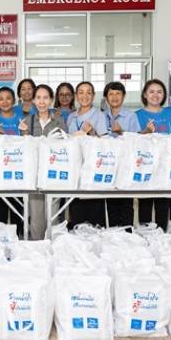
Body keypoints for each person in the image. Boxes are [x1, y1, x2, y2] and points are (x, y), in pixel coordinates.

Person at [19, 84, 67, 239]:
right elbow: (24, 149)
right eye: (38, 97)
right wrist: (24, 134)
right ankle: (37, 248)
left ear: (51, 100)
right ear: (33, 100)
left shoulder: (58, 120)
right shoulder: (28, 121)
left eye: (45, 98)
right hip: (34, 174)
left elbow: (65, 146)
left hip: (54, 173)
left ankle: (54, 247)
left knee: (53, 215)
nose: (41, 101)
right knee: (36, 217)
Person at [135, 79, 171, 230]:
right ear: (145, 95)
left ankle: (162, 235)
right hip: (145, 165)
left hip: (166, 164)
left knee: (163, 202)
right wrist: (145, 132)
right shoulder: (137, 115)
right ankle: (145, 234)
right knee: (145, 203)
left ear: (164, 95)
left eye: (159, 92)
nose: (155, 95)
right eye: (151, 91)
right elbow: (133, 142)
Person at [66, 81, 108, 230]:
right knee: (76, 209)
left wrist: (92, 133)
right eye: (81, 92)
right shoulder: (71, 117)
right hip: (75, 166)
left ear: (93, 96)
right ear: (76, 96)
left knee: (94, 210)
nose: (85, 96)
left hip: (93, 167)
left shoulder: (99, 115)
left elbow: (105, 143)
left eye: (89, 92)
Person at [0, 86, 24, 236]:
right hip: (0, 170)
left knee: (18, 206)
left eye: (8, 98)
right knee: (1, 206)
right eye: (1, 99)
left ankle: (17, 237)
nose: (5, 101)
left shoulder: (21, 118)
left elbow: (27, 141)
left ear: (14, 101)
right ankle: (1, 238)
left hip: (18, 169)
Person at [103, 81, 140, 228]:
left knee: (126, 203)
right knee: (110, 202)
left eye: (118, 93)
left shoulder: (131, 116)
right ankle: (113, 235)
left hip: (126, 165)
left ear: (124, 96)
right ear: (106, 98)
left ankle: (127, 235)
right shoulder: (102, 116)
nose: (114, 97)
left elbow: (137, 141)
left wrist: (121, 132)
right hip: (108, 165)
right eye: (111, 94)